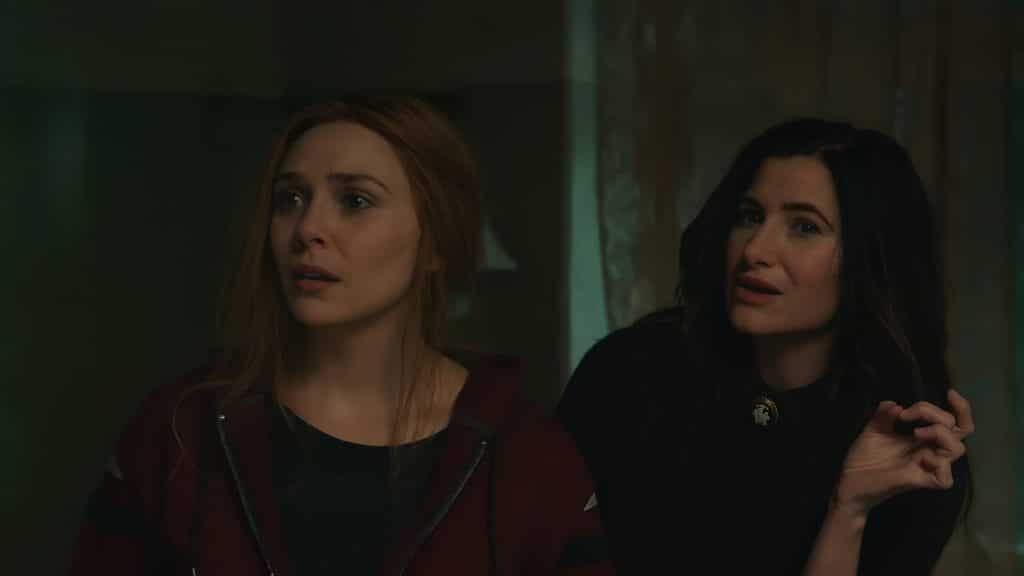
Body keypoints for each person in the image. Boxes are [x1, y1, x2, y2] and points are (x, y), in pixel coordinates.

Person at [71, 97, 612, 575]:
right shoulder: (179, 432)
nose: (308, 229)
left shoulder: (529, 460)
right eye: (290, 199)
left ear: (436, 240)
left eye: (355, 201)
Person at [557, 118, 974, 575]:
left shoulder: (909, 446)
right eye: (750, 216)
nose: (755, 249)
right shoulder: (630, 371)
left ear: (871, 258)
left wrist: (849, 510)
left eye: (804, 227)